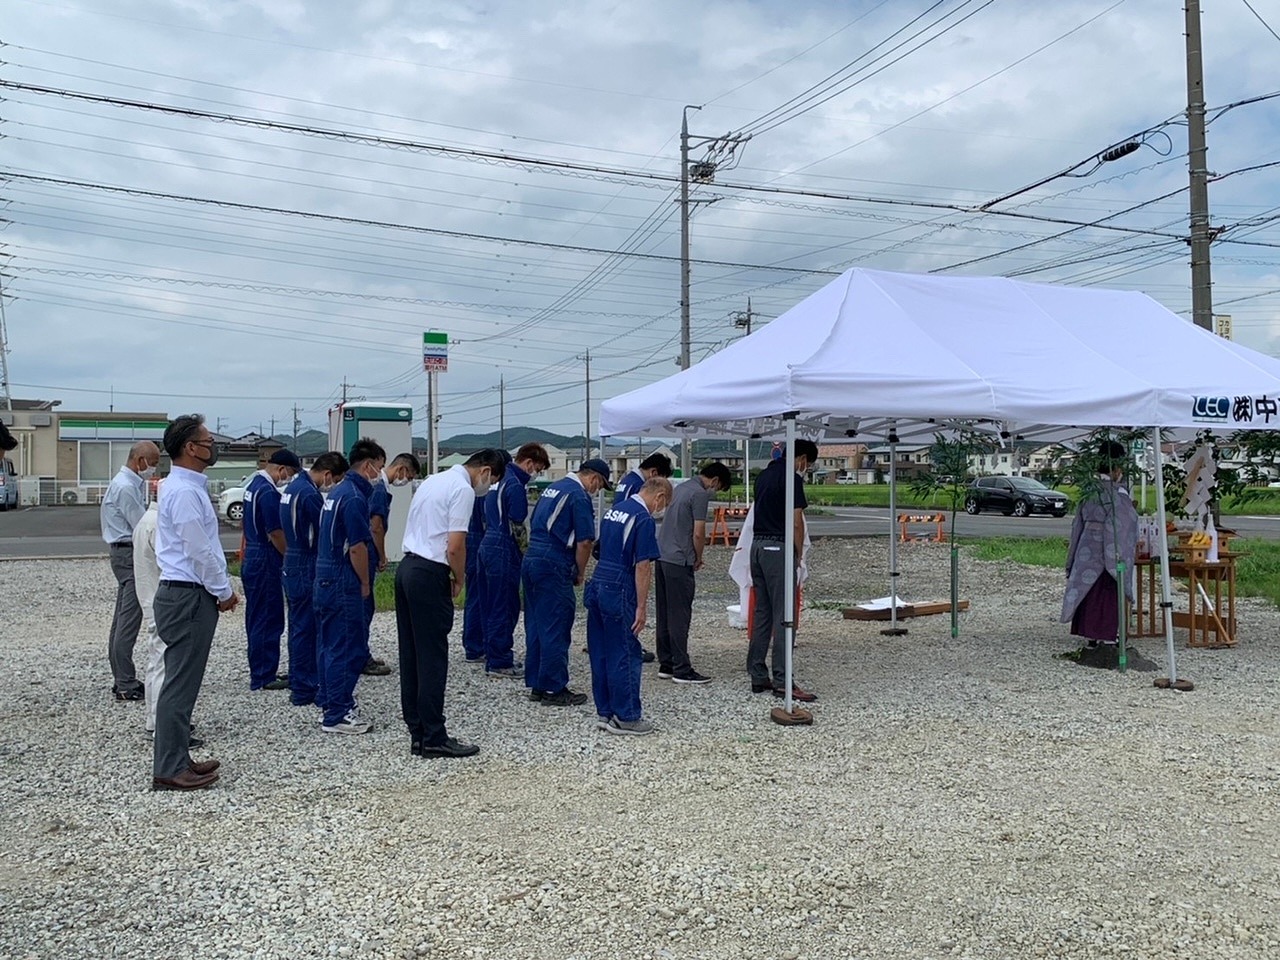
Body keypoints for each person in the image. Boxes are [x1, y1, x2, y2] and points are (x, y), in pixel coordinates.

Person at [396, 448, 507, 758]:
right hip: (431, 571)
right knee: (432, 657)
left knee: (412, 654)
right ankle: (434, 734)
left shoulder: (433, 479)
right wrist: (459, 578)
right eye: (492, 479)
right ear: (485, 471)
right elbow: (456, 546)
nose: (488, 485)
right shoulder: (462, 489)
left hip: (407, 566)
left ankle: (417, 731)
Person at [152, 414, 236, 791]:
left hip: (185, 593)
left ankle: (178, 756)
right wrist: (223, 591)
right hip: (188, 595)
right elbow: (199, 550)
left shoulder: (182, 486)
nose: (212, 445)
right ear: (190, 448)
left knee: (183, 682)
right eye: (207, 440)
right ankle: (169, 767)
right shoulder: (185, 491)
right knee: (180, 685)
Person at [586, 477, 672, 735]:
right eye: (664, 504)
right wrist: (642, 607)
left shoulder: (616, 510)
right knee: (624, 650)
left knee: (600, 650)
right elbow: (643, 565)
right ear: (658, 497)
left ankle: (605, 711)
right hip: (620, 583)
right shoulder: (643, 518)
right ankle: (627, 715)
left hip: (599, 579)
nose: (661, 509)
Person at [523, 458, 611, 707]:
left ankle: (538, 684)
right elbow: (584, 541)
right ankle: (554, 687)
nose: (597, 490)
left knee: (536, 623)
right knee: (556, 624)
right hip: (554, 559)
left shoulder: (555, 487)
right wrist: (580, 572)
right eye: (600, 485)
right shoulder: (578, 496)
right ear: (594, 478)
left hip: (532, 557)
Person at [314, 438, 384, 734]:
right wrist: (365, 583)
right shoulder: (355, 497)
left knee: (329, 644)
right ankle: (338, 714)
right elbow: (357, 547)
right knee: (346, 645)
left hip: (324, 573)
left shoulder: (337, 492)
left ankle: (330, 702)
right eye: (379, 468)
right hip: (344, 577)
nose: (379, 474)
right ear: (368, 466)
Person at [747, 438, 819, 703]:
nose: (806, 468)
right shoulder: (792, 478)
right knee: (784, 616)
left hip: (757, 545)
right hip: (779, 547)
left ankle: (757, 673)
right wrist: (798, 553)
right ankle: (782, 679)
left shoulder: (764, 475)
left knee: (762, 612)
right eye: (807, 464)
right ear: (801, 459)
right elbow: (796, 521)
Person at [280, 452, 348, 708]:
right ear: (328, 474)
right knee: (310, 628)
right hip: (306, 561)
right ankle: (307, 686)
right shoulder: (309, 493)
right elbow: (324, 527)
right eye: (336, 480)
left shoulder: (293, 486)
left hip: (292, 559)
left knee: (298, 626)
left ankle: (299, 684)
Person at [655, 462, 734, 684]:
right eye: (718, 488)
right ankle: (682, 668)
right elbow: (699, 532)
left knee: (664, 612)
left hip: (662, 556)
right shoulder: (700, 494)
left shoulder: (681, 487)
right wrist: (698, 557)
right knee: (680, 615)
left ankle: (667, 663)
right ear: (715, 481)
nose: (714, 491)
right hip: (680, 559)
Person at [479, 443, 550, 677]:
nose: (535, 474)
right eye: (537, 469)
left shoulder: (498, 479)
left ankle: (490, 652)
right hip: (503, 548)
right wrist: (526, 553)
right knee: (505, 605)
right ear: (529, 463)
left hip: (487, 543)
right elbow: (518, 523)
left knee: (488, 603)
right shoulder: (515, 484)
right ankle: (500, 660)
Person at [100, 440, 161, 702]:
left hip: (122, 550)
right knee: (129, 618)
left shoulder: (127, 483)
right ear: (140, 461)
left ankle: (122, 677)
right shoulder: (125, 487)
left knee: (122, 617)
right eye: (153, 464)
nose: (153, 470)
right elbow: (142, 524)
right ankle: (124, 682)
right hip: (128, 552)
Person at [1062, 439, 1138, 645]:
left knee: (1089, 591)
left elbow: (1077, 524)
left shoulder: (1089, 490)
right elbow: (1127, 525)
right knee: (1106, 593)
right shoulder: (1118, 494)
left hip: (1086, 546)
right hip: (1110, 548)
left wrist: (1073, 557)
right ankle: (1106, 635)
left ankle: (1089, 635)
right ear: (1118, 467)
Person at [241, 449, 301, 691]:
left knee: (256, 614)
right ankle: (264, 674)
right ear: (281, 469)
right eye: (290, 473)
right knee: (268, 615)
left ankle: (261, 669)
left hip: (253, 552)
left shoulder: (253, 486)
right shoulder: (267, 492)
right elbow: (275, 531)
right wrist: (289, 556)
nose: (288, 479)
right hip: (265, 555)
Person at [364, 452, 420, 677]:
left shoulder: (376, 486)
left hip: (367, 549)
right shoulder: (379, 489)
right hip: (368, 549)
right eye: (409, 476)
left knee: (365, 606)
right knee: (364, 607)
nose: (406, 481)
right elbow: (376, 526)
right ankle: (361, 657)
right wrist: (382, 555)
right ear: (402, 470)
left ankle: (362, 653)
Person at [461, 451, 508, 663]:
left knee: (475, 595)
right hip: (478, 541)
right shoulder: (484, 491)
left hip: (471, 540)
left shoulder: (474, 487)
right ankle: (476, 645)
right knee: (479, 596)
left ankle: (473, 644)